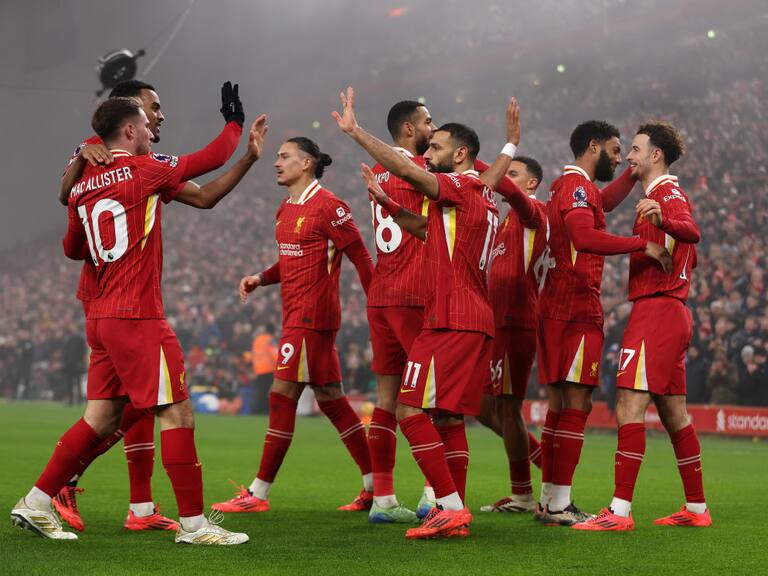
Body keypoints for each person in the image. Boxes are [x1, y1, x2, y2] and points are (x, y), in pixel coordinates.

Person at [11, 96, 267, 544]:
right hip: (137, 314)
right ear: (129, 130)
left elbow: (72, 249)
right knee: (177, 411)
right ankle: (194, 526)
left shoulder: (82, 184)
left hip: (101, 315)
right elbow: (210, 158)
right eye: (147, 125)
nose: (153, 132)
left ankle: (35, 501)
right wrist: (235, 125)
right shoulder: (145, 169)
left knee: (101, 418)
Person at [334, 86, 519, 539]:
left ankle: (448, 506)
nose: (428, 151)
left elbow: (405, 168)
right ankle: (450, 509)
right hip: (469, 318)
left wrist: (356, 131)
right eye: (428, 143)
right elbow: (424, 227)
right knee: (449, 417)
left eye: (436, 147)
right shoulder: (479, 196)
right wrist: (388, 204)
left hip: (449, 319)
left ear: (460, 155)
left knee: (409, 409)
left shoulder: (459, 185)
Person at [212, 136, 376, 514]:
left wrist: (377, 307)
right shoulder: (285, 209)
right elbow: (290, 261)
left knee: (281, 395)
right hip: (296, 317)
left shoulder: (330, 206)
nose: (276, 162)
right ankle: (374, 485)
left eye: (284, 156)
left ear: (306, 163)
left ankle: (258, 494)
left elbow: (361, 258)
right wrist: (261, 278)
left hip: (311, 318)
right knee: (332, 401)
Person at [573, 121, 710, 530]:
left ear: (655, 155)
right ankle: (697, 509)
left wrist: (664, 222)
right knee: (674, 414)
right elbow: (688, 253)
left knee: (629, 405)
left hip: (657, 311)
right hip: (671, 311)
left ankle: (618, 512)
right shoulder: (660, 194)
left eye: (635, 149)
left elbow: (692, 232)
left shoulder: (665, 195)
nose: (628, 156)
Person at [536, 120, 672, 526]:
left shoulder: (571, 187)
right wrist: (643, 245)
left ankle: (548, 499)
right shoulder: (577, 187)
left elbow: (604, 202)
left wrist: (633, 171)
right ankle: (559, 504)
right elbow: (585, 237)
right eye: (615, 151)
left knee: (559, 406)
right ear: (593, 146)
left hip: (556, 305)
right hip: (575, 308)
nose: (620, 158)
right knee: (577, 404)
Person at [365, 100, 436, 524]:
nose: (434, 129)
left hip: (382, 292)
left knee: (386, 401)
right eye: (428, 122)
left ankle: (384, 500)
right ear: (409, 129)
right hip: (415, 293)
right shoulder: (419, 170)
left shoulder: (379, 171)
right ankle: (433, 493)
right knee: (432, 396)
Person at [476, 156, 547, 514]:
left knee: (507, 407)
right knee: (481, 406)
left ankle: (524, 494)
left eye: (513, 173)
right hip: (495, 323)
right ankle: (546, 464)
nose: (506, 177)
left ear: (532, 183)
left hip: (515, 321)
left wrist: (473, 159)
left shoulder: (532, 211)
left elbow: (512, 193)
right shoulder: (504, 221)